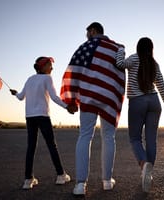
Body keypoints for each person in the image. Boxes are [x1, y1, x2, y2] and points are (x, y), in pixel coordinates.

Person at [60, 22, 125, 195]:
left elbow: (74, 70)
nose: (86, 35)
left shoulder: (85, 47)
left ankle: (81, 185)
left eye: (87, 32)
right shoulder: (118, 48)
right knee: (109, 137)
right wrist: (115, 94)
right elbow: (120, 73)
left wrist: (72, 99)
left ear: (93, 31)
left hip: (88, 97)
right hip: (109, 98)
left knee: (85, 136)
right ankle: (106, 181)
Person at [116, 37, 164, 192]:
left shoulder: (134, 58)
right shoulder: (154, 63)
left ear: (138, 47)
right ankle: (148, 175)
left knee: (135, 138)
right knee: (151, 140)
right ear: (151, 48)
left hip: (137, 101)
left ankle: (143, 164)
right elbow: (161, 85)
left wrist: (121, 50)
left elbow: (120, 64)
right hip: (154, 102)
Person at [10, 56, 71, 189]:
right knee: (51, 145)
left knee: (31, 147)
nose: (52, 67)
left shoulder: (29, 79)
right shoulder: (47, 78)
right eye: (49, 65)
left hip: (30, 117)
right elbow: (54, 97)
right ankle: (61, 175)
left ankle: (28, 180)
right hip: (42, 116)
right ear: (42, 67)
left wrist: (15, 93)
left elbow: (21, 97)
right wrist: (67, 107)